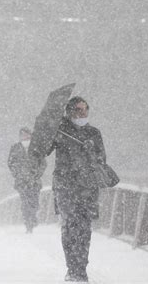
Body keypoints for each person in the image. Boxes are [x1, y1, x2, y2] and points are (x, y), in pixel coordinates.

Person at [46, 96, 106, 282]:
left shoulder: (94, 133)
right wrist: (51, 132)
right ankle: (72, 267)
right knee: (70, 226)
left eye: (85, 109)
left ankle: (81, 267)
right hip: (65, 187)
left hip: (88, 187)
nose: (83, 113)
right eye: (79, 110)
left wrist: (91, 151)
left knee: (85, 228)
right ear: (70, 111)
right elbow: (43, 151)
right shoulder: (60, 131)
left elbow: (102, 159)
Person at [8, 127, 47, 233]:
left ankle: (32, 218)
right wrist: (17, 173)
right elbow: (11, 163)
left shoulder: (37, 148)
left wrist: (37, 174)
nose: (25, 137)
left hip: (34, 181)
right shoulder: (15, 148)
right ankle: (28, 223)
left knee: (34, 202)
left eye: (26, 134)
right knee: (25, 202)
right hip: (21, 181)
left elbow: (43, 163)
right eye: (23, 135)